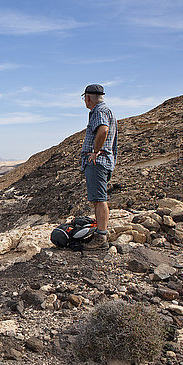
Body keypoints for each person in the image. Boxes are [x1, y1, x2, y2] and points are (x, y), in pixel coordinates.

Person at [80, 84, 118, 250]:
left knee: (99, 199)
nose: (84, 101)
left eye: (84, 98)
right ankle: (99, 233)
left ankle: (101, 237)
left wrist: (96, 151)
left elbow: (103, 130)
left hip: (97, 162)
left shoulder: (99, 112)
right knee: (97, 199)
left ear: (88, 98)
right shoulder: (106, 110)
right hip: (103, 162)